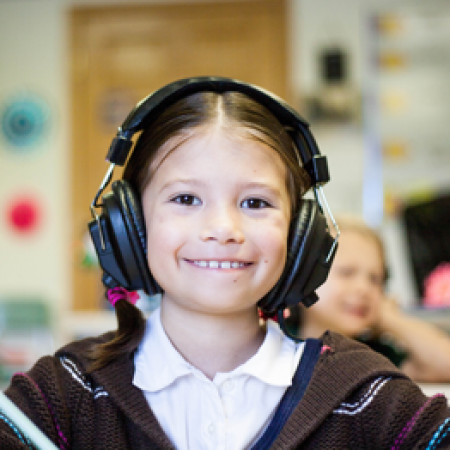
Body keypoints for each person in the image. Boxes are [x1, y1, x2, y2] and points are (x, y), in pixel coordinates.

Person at [2, 77, 450, 449]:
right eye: (186, 198)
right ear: (130, 225)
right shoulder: (64, 394)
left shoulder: (366, 397)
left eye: (255, 202)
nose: (222, 228)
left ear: (302, 233)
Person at [294, 215, 450, 382]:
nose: (364, 288)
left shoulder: (376, 357)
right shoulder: (275, 344)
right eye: (347, 272)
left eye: (375, 279)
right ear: (301, 279)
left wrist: (390, 319)